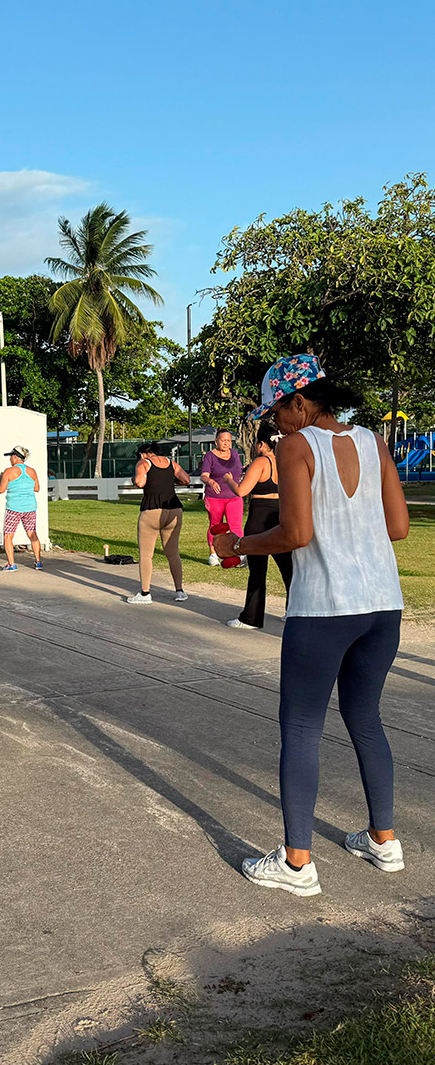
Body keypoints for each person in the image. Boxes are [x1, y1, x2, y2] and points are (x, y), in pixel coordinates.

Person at [212, 354, 409, 896]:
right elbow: (398, 526)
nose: (271, 422)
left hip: (325, 606)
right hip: (381, 604)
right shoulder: (374, 441)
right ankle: (384, 840)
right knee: (365, 718)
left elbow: (295, 533)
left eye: (275, 410)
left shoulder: (298, 446)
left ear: (300, 402)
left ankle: (297, 864)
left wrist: (241, 545)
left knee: (300, 725)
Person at [221, 422, 292, 629]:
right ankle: (294, 611)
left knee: (258, 570)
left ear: (261, 444)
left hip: (259, 516)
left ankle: (251, 617)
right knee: (288, 568)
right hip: (279, 514)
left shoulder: (260, 462)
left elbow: (242, 491)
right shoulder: (283, 461)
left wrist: (228, 479)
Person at [127, 442, 190, 605]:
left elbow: (140, 482)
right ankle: (180, 591)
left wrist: (135, 478)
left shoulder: (143, 463)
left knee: (146, 554)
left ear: (143, 454)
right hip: (174, 508)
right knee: (173, 552)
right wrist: (169, 482)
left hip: (152, 509)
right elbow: (186, 479)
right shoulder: (171, 463)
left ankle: (145, 593)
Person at [200, 429, 244, 566]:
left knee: (236, 526)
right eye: (223, 440)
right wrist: (211, 482)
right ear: (216, 442)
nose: (226, 443)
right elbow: (204, 475)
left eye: (229, 441)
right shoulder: (210, 456)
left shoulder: (235, 454)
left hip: (234, 496)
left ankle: (240, 554)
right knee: (216, 526)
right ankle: (213, 554)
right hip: (215, 497)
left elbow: (239, 470)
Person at [0, 445, 42, 571]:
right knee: (32, 534)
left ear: (15, 457)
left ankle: (12, 564)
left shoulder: (9, 471)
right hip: (30, 507)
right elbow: (37, 488)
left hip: (14, 508)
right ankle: (38, 562)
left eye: (11, 456)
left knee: (8, 536)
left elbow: (1, 490)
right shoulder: (32, 471)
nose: (10, 459)